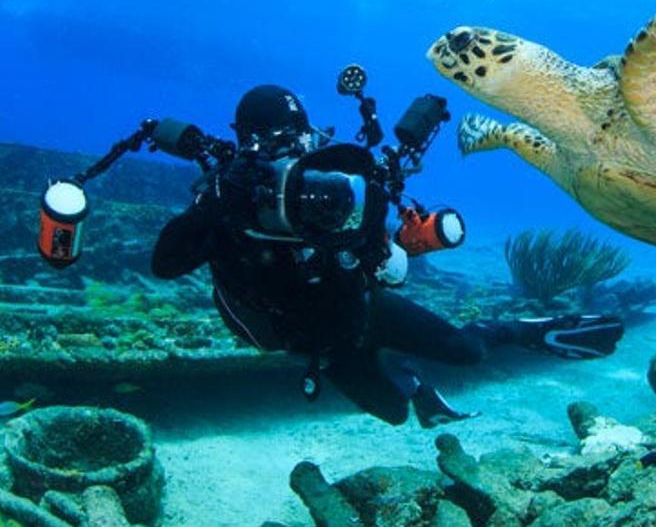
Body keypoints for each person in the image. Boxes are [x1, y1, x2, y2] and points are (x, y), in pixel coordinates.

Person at [151, 84, 624, 427]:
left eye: (295, 140)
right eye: (271, 143)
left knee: (466, 352)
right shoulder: (225, 194)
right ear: (246, 143)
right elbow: (165, 264)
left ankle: (521, 330)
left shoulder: (336, 179)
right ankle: (413, 384)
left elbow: (386, 262)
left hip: (360, 310)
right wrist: (219, 201)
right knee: (394, 412)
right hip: (312, 341)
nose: (286, 157)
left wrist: (380, 217)